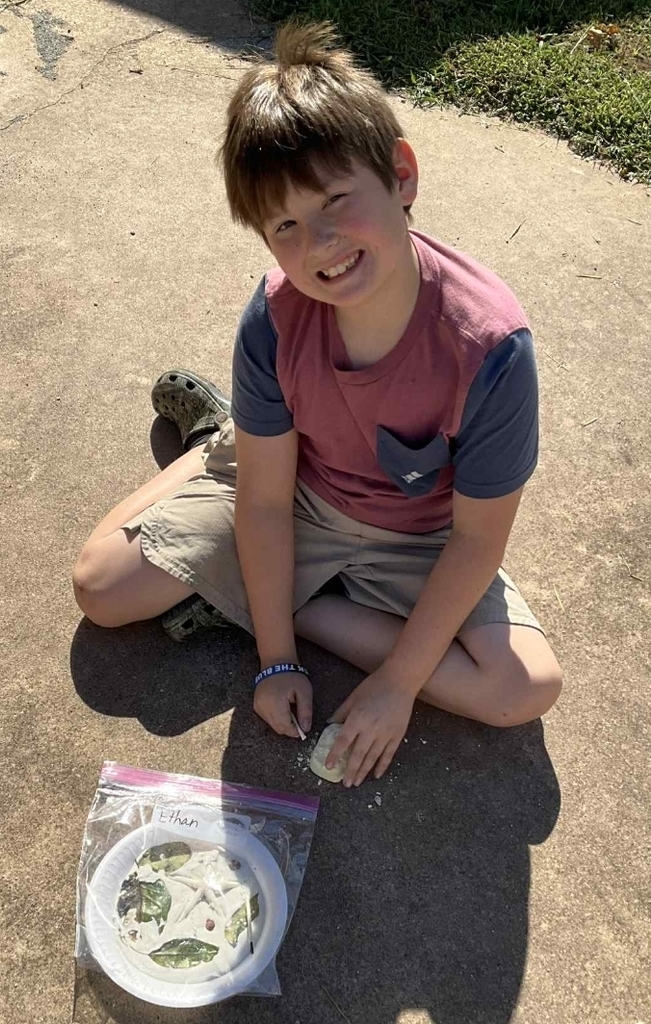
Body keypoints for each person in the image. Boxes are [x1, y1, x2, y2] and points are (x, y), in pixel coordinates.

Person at [72, 22, 562, 788]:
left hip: (418, 538)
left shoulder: (491, 347)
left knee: (520, 690)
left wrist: (397, 682)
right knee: (101, 587)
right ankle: (216, 442)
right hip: (295, 485)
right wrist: (273, 663)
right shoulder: (273, 317)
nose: (322, 242)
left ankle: (277, 594)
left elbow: (475, 541)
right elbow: (265, 503)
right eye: (287, 226)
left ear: (400, 174)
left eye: (337, 199)